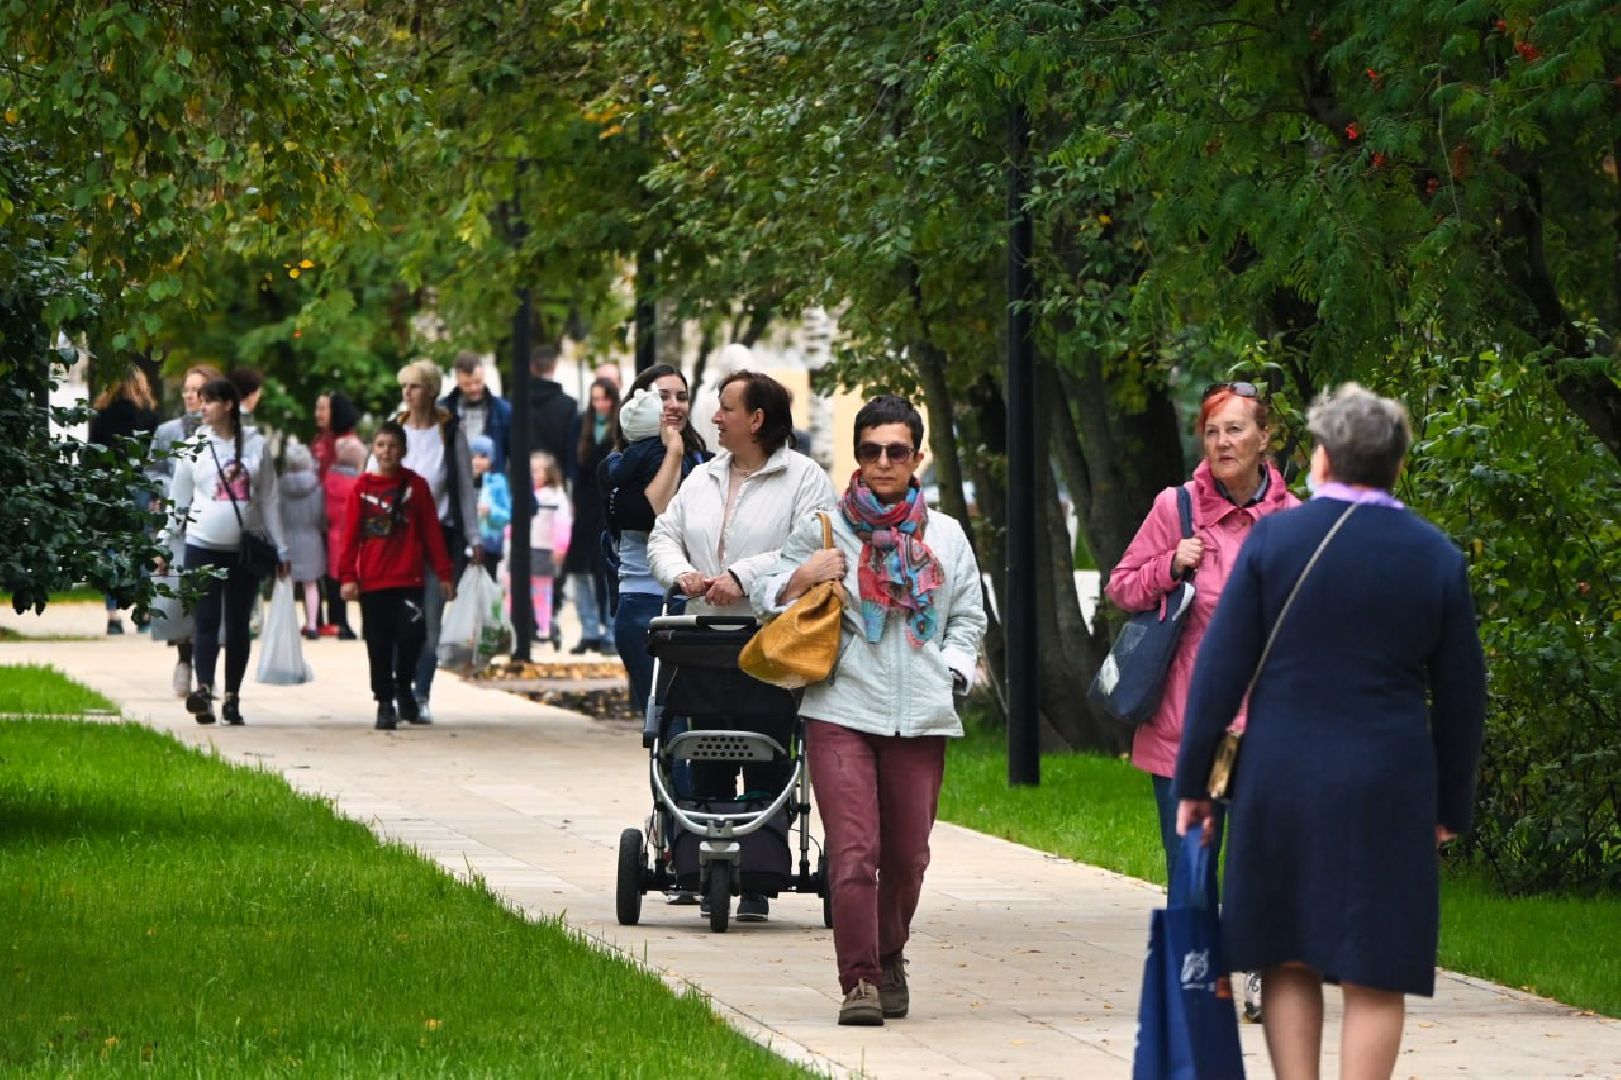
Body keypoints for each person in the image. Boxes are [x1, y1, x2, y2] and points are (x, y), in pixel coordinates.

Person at [1173, 384, 1486, 1080]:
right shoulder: (1435, 557)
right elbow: (1464, 696)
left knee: (1285, 954)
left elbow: (1218, 673)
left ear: (1320, 458)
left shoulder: (1274, 541)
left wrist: (1196, 782)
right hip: (1390, 782)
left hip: (1279, 775)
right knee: (1376, 964)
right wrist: (1446, 808)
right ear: (1396, 465)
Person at [751, 393, 986, 1025]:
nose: (883, 462)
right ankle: (857, 980)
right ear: (856, 455)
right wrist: (803, 576)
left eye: (896, 451)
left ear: (917, 458)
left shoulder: (946, 536)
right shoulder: (827, 527)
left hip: (921, 714)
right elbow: (770, 600)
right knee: (854, 850)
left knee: (907, 857)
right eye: (870, 450)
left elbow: (968, 616)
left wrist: (954, 669)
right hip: (842, 706)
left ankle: (888, 956)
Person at [648, 369, 838, 921]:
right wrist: (682, 573)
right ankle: (699, 859)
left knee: (767, 750)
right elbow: (665, 534)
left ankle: (759, 870)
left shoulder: (804, 479)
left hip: (771, 636)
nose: (714, 417)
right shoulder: (704, 477)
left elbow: (806, 548)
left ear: (755, 419)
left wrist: (742, 575)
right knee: (702, 746)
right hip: (700, 638)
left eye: (725, 408)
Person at [1104, 380, 1298, 902]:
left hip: (1264, 733)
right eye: (1211, 432)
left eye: (1235, 429)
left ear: (1264, 437)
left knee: (1261, 878)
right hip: (1191, 733)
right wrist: (1168, 565)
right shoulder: (1178, 510)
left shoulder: (1293, 520)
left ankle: (1260, 980)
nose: (1222, 443)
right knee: (1192, 879)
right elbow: (1121, 586)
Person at [157, 377, 288, 726]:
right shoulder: (193, 446)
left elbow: (270, 500)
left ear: (228, 405)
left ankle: (232, 696)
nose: (202, 407)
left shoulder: (255, 446)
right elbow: (179, 500)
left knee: (238, 625)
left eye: (209, 402)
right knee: (206, 621)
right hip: (202, 545)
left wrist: (282, 548)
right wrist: (164, 545)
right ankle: (203, 690)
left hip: (243, 549)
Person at [599, 364, 708, 715]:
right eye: (663, 397)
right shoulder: (619, 467)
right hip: (643, 603)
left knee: (697, 719)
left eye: (681, 396)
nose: (674, 405)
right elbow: (656, 513)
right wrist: (672, 452)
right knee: (665, 715)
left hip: (697, 604)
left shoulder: (705, 464)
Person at [339, 421, 455, 730]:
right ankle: (384, 702)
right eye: (380, 445)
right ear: (372, 449)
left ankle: (405, 688)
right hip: (374, 581)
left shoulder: (416, 487)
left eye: (392, 446)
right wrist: (348, 575)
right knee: (378, 644)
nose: (386, 452)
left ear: (403, 450)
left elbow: (432, 532)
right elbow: (349, 536)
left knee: (411, 638)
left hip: (410, 580)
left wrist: (444, 573)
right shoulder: (361, 489)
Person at [392, 357, 479, 723]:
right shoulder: (394, 430)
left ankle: (420, 692)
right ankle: (399, 691)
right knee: (399, 619)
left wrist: (474, 539)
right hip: (398, 537)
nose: (407, 394)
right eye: (404, 387)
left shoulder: (449, 433)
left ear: (430, 391)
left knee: (430, 619)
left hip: (440, 537)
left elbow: (463, 489)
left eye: (413, 386)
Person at [147, 363, 222, 694]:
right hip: (178, 523)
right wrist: (169, 488)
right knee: (179, 596)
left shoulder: (225, 435)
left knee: (209, 597)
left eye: (198, 390)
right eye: (187, 390)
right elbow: (153, 469)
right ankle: (183, 657)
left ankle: (206, 672)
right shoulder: (167, 432)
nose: (191, 396)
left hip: (212, 522)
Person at [89, 367, 160, 635]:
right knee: (141, 548)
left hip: (109, 487)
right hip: (139, 485)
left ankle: (113, 615)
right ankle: (143, 613)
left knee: (111, 551)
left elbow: (92, 453)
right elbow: (155, 458)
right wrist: (156, 494)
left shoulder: (103, 415)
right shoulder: (149, 417)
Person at [566, 377, 619, 653]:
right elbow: (572, 465)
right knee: (579, 568)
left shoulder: (618, 427)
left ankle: (610, 630)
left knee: (605, 569)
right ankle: (588, 629)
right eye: (595, 399)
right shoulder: (580, 424)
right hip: (585, 503)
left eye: (605, 398)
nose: (600, 405)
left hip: (608, 504)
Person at [277, 441, 328, 640]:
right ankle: (313, 624)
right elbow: (322, 515)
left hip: (287, 538)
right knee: (311, 584)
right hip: (311, 538)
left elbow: (277, 513)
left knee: (287, 585)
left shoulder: (280, 487)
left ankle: (287, 626)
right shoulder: (317, 487)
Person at [322, 435, 366, 640]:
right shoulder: (360, 483)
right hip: (356, 538)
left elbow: (322, 512)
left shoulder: (328, 481)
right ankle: (368, 626)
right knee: (363, 583)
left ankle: (339, 623)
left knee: (335, 581)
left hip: (333, 536)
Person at [526, 452, 571, 648]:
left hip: (545, 550)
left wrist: (560, 547)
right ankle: (535, 627)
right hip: (528, 548)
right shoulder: (529, 495)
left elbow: (563, 523)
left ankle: (545, 628)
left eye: (535, 471)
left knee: (542, 593)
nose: (531, 475)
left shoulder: (556, 496)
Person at [443, 351, 512, 475]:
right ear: (457, 380)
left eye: (477, 382)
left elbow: (514, 457)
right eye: (467, 384)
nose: (474, 388)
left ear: (484, 376)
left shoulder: (503, 411)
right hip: (455, 485)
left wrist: (493, 463)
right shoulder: (443, 411)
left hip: (492, 483)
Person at [526, 344, 578, 483]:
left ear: (532, 367)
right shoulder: (568, 404)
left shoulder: (516, 402)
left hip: (524, 476)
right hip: (556, 476)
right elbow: (571, 447)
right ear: (554, 366)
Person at [470, 435, 510, 581]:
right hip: (467, 543)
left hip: (490, 544)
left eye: (483, 456)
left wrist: (491, 512)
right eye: (473, 456)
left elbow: (506, 514)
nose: (477, 461)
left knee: (488, 582)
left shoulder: (497, 482)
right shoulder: (465, 481)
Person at [310, 390, 360, 479]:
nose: (317, 414)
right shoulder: (318, 439)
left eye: (322, 409)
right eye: (316, 409)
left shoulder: (348, 443)